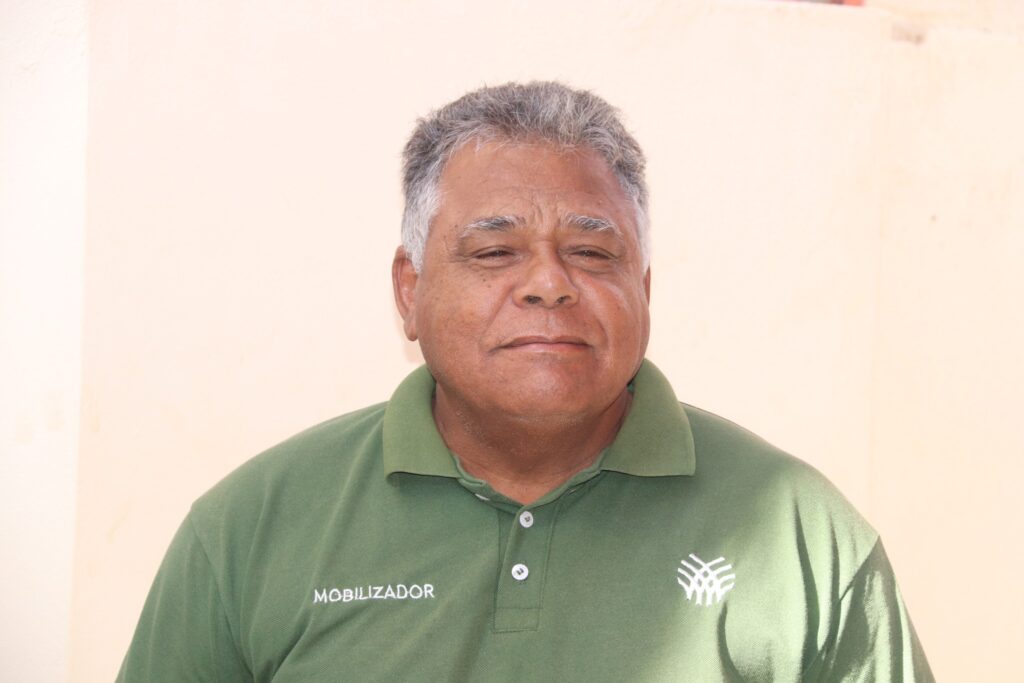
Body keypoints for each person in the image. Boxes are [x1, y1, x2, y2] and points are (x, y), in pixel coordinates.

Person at [118, 81, 932, 681]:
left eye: (592, 252)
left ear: (644, 291)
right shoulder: (252, 528)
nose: (548, 284)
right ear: (409, 291)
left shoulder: (800, 535)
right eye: (495, 251)